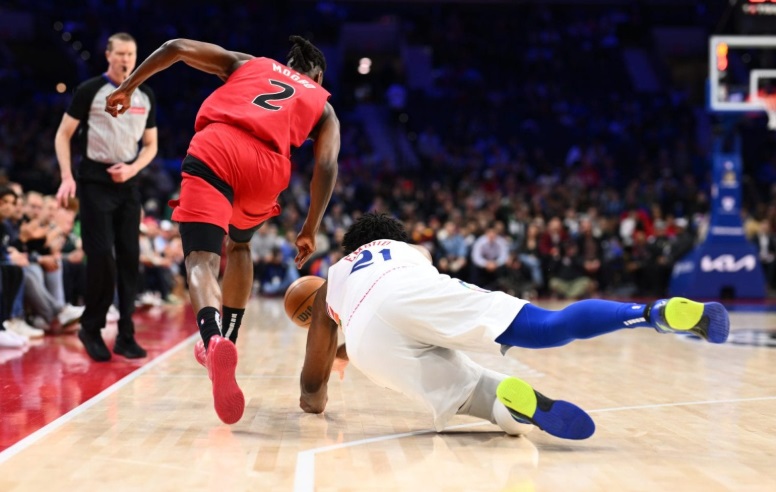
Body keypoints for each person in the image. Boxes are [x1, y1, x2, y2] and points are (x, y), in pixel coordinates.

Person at [299, 213, 730, 440]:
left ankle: (504, 401)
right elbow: (399, 304)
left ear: (349, 249)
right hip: (415, 291)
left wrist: (331, 366)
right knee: (549, 325)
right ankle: (650, 313)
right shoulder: (414, 251)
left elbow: (312, 389)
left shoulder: (329, 282)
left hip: (369, 343)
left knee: (473, 394)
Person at [105, 36, 340, 424]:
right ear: (316, 74)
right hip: (267, 169)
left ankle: (211, 338)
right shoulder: (324, 106)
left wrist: (127, 87)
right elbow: (327, 166)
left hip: (217, 146)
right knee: (241, 245)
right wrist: (309, 228)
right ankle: (228, 337)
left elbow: (176, 47)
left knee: (201, 258)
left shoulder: (251, 63)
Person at [54, 32, 158, 362]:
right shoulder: (90, 91)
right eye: (121, 53)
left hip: (127, 182)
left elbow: (151, 146)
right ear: (108, 56)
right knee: (101, 257)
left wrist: (133, 169)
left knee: (130, 260)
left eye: (131, 53)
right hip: (94, 180)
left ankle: (126, 335)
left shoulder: (145, 95)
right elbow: (63, 134)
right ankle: (91, 327)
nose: (126, 59)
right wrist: (67, 176)